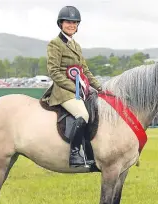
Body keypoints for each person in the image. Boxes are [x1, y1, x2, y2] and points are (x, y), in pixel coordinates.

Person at [46, 6, 102, 168]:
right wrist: (74, 88)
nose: (71, 25)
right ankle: (75, 153)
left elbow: (85, 71)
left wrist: (100, 87)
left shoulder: (76, 45)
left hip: (79, 90)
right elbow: (54, 72)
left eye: (75, 22)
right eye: (68, 22)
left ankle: (91, 153)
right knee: (83, 114)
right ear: (61, 23)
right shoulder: (55, 44)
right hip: (63, 91)